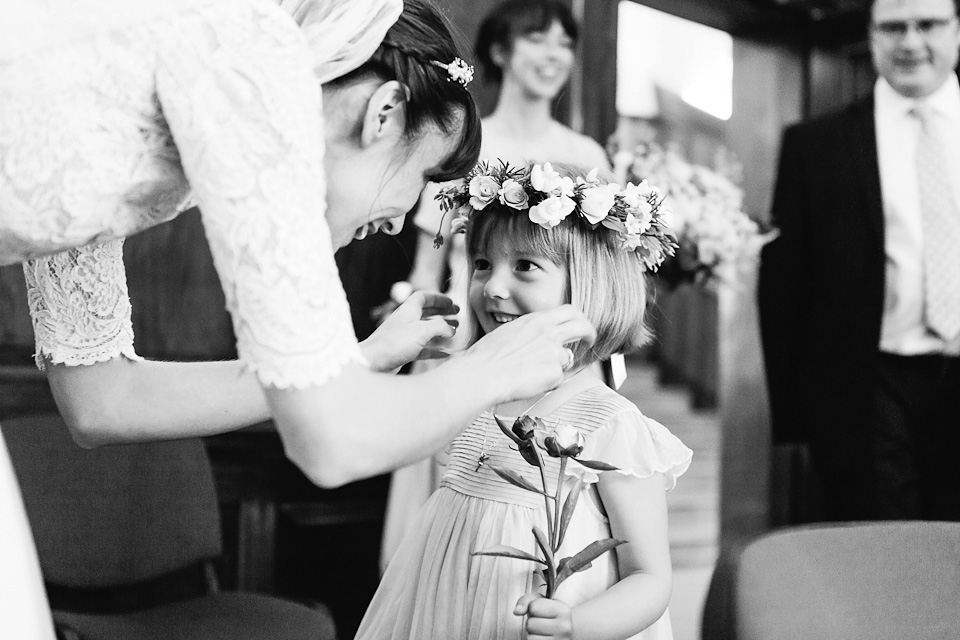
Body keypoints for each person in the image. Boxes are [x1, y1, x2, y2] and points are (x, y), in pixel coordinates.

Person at [0, 0, 597, 637]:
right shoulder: (247, 55)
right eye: (421, 175)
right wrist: (490, 370)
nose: (399, 221)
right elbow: (332, 447)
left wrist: (359, 360)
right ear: (384, 113)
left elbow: (103, 401)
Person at [356, 162, 693, 640]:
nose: (493, 287)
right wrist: (383, 357)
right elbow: (369, 436)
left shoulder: (609, 425)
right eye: (481, 264)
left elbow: (650, 578)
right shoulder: (468, 396)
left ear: (586, 285)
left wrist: (578, 624)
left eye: (525, 266)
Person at [381, 0, 614, 571]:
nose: (555, 55)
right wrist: (419, 324)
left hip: (558, 367)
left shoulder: (587, 157)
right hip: (463, 350)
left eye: (565, 43)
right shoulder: (463, 144)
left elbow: (597, 279)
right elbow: (425, 270)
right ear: (501, 51)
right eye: (538, 39)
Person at [759, 0, 960, 522]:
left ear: (956, 30)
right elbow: (783, 288)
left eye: (928, 25)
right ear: (871, 38)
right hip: (866, 388)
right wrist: (795, 420)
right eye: (894, 27)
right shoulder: (814, 144)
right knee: (885, 555)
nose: (911, 42)